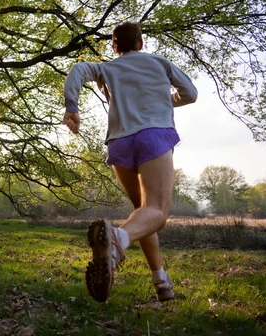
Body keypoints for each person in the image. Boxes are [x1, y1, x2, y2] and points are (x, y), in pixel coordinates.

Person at [63, 21, 198, 303]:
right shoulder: (159, 62)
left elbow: (78, 70)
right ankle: (118, 239)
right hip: (153, 136)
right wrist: (163, 99)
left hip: (119, 143)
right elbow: (191, 94)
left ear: (115, 47)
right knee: (157, 212)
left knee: (142, 211)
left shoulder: (107, 68)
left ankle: (161, 282)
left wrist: (72, 107)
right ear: (140, 44)